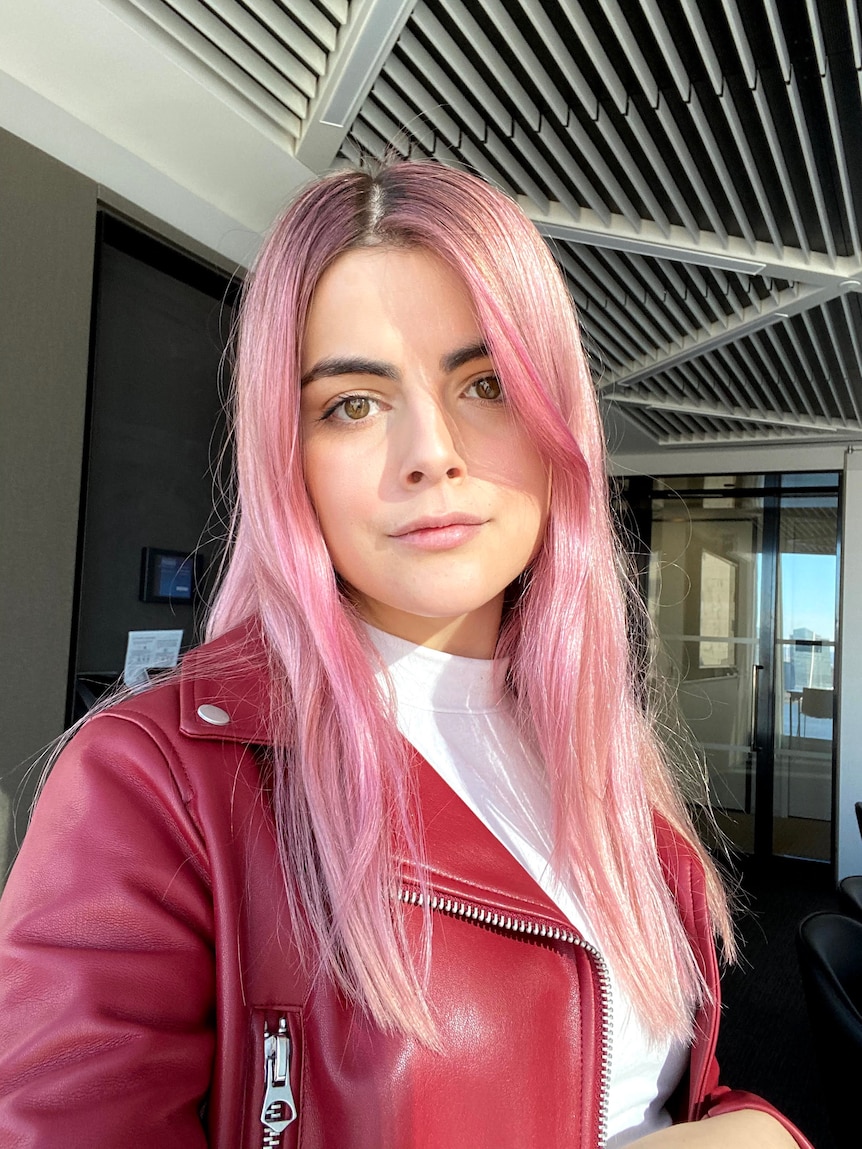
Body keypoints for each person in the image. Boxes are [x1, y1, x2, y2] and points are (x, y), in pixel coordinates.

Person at [0, 161, 809, 1149]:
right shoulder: (158, 785)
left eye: (485, 384)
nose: (431, 449)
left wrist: (753, 1128)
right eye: (352, 403)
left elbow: (653, 1092)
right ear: (285, 454)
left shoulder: (608, 753)